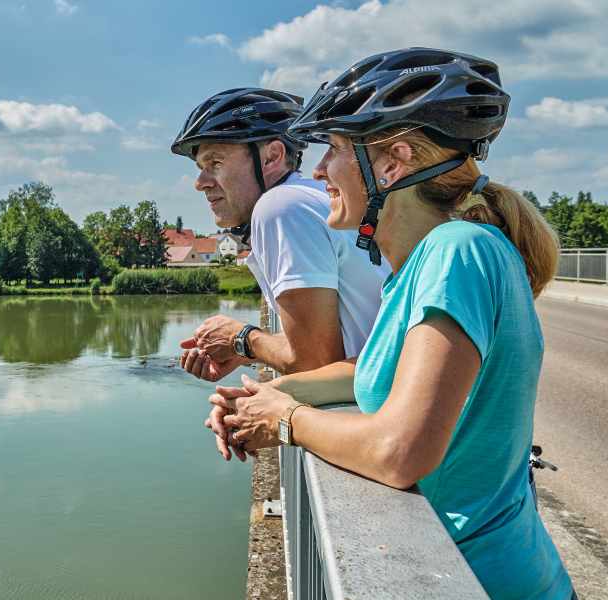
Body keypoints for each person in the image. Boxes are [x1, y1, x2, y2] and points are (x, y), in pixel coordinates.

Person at [206, 48, 574, 599]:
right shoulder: (420, 266)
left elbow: (400, 452)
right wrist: (261, 397)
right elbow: (370, 375)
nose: (319, 171)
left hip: (487, 581)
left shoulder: (458, 252)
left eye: (332, 150)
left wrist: (287, 422)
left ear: (393, 162)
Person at [170, 89, 387, 413]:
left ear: (272, 157)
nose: (199, 182)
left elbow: (315, 364)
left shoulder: (282, 207)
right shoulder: (311, 197)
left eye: (215, 163)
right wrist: (249, 352)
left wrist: (241, 338)